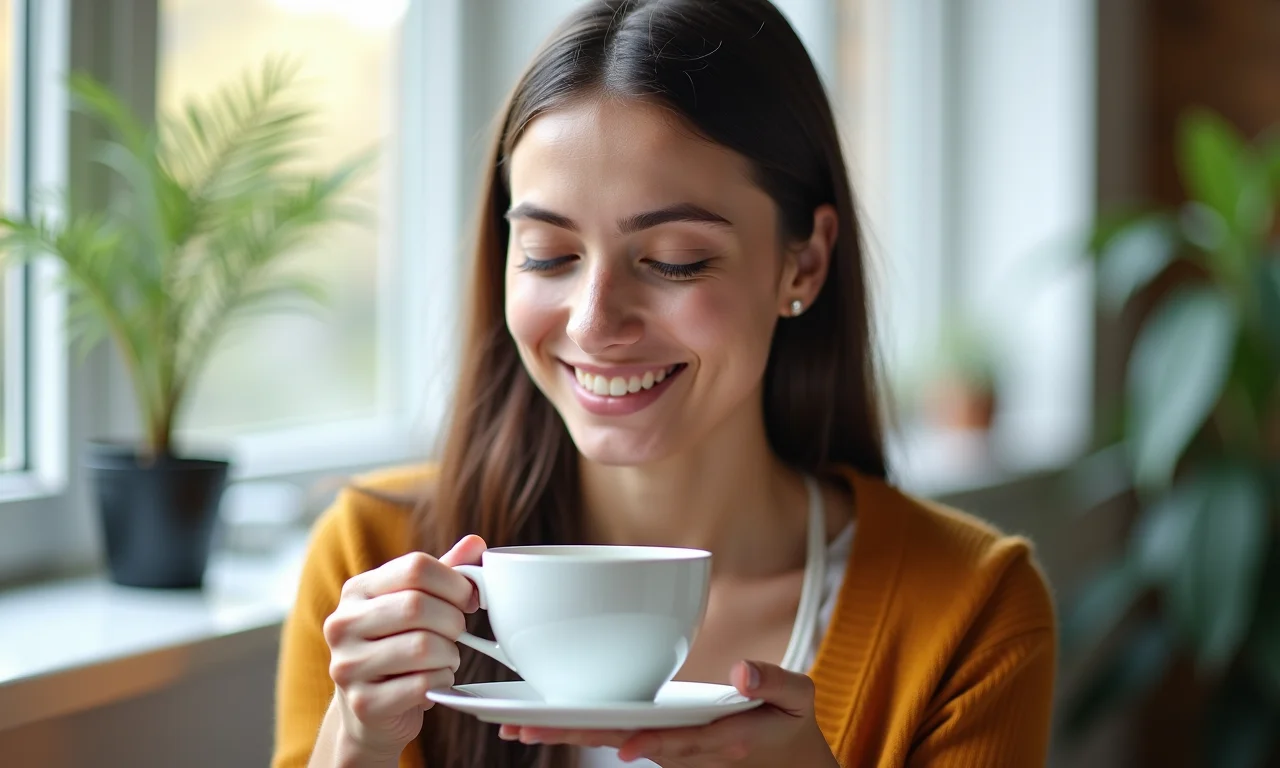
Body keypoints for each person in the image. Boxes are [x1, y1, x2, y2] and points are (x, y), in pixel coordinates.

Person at [272, 0, 1057, 766]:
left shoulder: (969, 610)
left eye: (675, 258)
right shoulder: (375, 563)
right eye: (548, 254)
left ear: (804, 263)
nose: (592, 322)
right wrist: (358, 746)